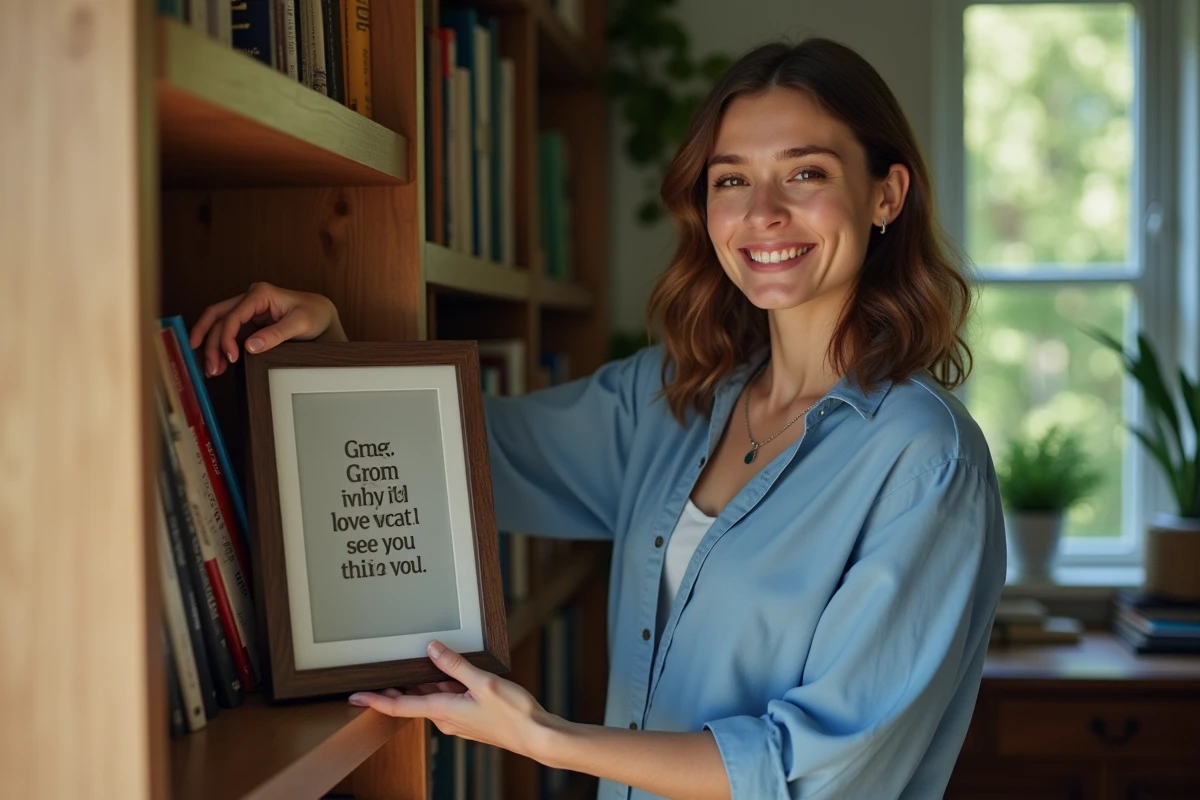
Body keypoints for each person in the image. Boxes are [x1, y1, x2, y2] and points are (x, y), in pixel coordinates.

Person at [189, 37, 1006, 800]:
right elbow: (459, 459)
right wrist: (328, 346)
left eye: (805, 173)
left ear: (886, 194)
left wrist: (545, 738)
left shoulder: (925, 460)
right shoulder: (671, 397)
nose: (762, 212)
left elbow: (810, 768)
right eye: (730, 180)